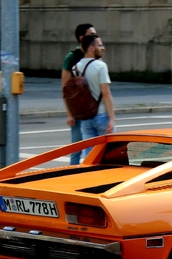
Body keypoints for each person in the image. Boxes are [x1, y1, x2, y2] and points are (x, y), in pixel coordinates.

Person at [62, 23, 97, 165]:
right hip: (78, 109)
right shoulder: (72, 57)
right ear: (82, 37)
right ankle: (73, 175)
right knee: (76, 147)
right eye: (92, 34)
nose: (96, 37)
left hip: (94, 108)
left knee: (95, 148)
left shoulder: (95, 53)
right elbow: (65, 88)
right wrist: (69, 113)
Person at [75, 34, 115, 159]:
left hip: (85, 117)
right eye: (100, 45)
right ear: (91, 48)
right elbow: (106, 93)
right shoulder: (100, 67)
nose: (103, 48)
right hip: (101, 115)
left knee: (90, 156)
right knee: (108, 154)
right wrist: (112, 118)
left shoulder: (76, 67)